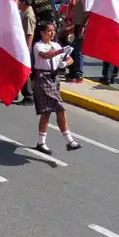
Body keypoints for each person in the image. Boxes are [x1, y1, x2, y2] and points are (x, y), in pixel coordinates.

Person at [31, 22, 80, 155]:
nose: (52, 33)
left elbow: (70, 59)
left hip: (54, 77)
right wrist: (62, 50)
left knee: (46, 112)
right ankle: (69, 140)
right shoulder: (38, 45)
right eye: (49, 31)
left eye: (53, 31)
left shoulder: (56, 45)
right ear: (42, 32)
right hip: (43, 77)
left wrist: (65, 62)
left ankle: (41, 142)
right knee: (60, 108)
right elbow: (45, 55)